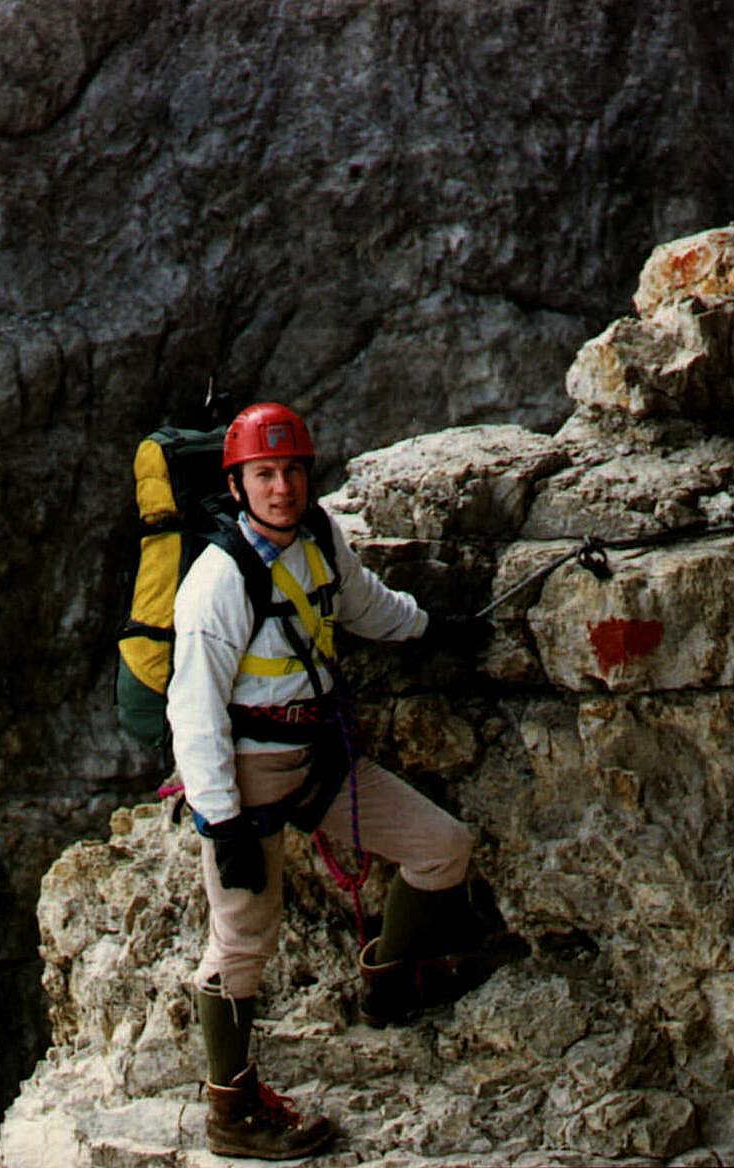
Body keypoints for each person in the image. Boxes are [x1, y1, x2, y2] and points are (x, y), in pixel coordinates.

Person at [168, 401, 478, 1160]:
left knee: (443, 846)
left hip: (319, 760)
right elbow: (195, 712)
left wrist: (432, 629)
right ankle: (231, 1113)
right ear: (237, 485)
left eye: (292, 471)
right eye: (264, 475)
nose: (281, 488)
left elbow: (365, 605)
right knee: (242, 939)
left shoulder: (318, 538)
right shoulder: (217, 580)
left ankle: (386, 984)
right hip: (245, 777)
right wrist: (222, 822)